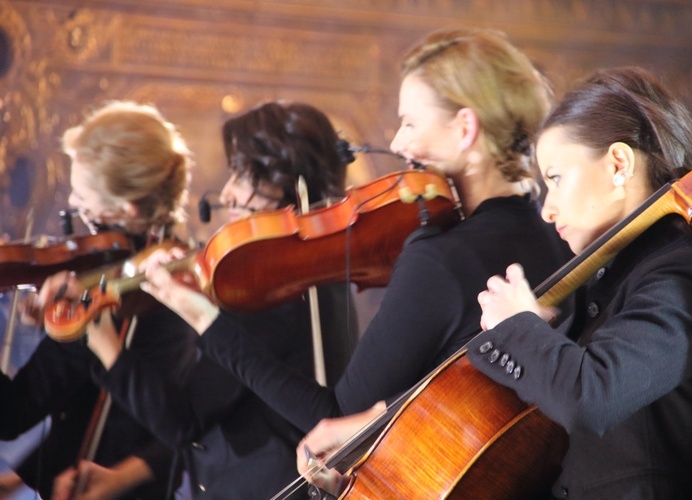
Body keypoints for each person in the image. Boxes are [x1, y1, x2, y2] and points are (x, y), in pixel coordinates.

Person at [139, 26, 572, 492]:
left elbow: (334, 419)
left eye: (409, 123)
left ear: (465, 128)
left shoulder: (441, 259)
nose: (400, 144)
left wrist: (204, 318)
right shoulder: (558, 236)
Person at [468, 66, 692, 499]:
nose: (547, 209)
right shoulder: (612, 276)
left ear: (619, 164)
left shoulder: (688, 276)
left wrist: (520, 327)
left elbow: (591, 396)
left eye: (556, 179)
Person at [82, 100, 360, 499]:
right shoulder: (314, 277)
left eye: (243, 176)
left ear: (285, 183)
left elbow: (183, 421)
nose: (227, 194)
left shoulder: (272, 291)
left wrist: (110, 351)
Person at [0, 100, 194, 499]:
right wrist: (21, 478)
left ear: (126, 209)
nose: (72, 202)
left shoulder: (112, 295)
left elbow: (9, 414)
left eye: (82, 191)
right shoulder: (182, 267)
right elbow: (83, 407)